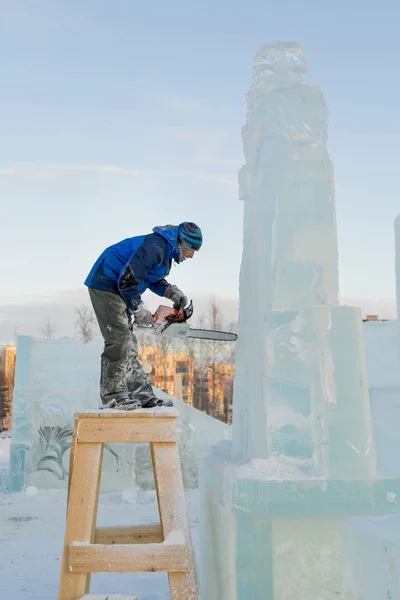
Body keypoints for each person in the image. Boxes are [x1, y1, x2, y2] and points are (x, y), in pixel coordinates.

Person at [84, 222, 203, 410]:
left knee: (128, 346)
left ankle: (143, 396)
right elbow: (128, 279)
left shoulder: (164, 252)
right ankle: (113, 396)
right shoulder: (155, 246)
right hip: (106, 284)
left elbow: (150, 278)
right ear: (182, 242)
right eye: (191, 249)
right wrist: (138, 310)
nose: (191, 255)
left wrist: (170, 291)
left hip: (120, 288)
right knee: (119, 341)